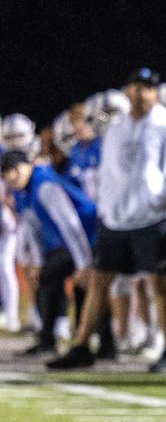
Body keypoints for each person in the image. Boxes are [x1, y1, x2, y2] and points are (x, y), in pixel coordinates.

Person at [49, 68, 166, 373]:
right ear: (126, 91)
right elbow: (110, 175)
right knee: (99, 282)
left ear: (156, 93)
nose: (140, 93)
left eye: (147, 88)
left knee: (161, 285)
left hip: (151, 219)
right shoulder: (116, 130)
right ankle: (81, 347)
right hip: (115, 221)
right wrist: (106, 210)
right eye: (135, 87)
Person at [1, 152, 97, 355]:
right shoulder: (24, 190)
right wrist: (38, 262)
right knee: (46, 277)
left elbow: (71, 224)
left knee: (87, 286)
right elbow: (32, 229)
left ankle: (87, 344)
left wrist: (84, 264)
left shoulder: (44, 184)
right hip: (68, 244)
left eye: (12, 171)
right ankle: (50, 338)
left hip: (89, 237)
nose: (11, 177)